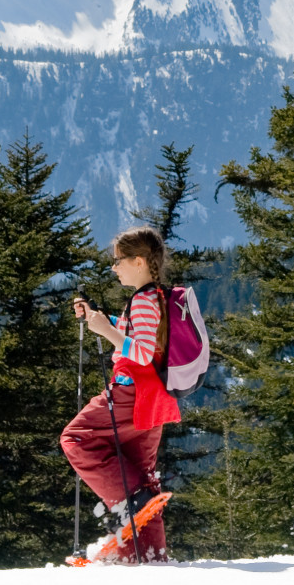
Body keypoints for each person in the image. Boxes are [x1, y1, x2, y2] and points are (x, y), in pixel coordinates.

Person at [63, 227, 181, 563]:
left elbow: (142, 353)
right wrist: (102, 319)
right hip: (154, 400)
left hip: (132, 396)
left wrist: (107, 331)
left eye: (119, 261)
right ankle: (149, 556)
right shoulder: (155, 296)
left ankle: (136, 506)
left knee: (75, 439)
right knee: (141, 479)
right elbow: (140, 335)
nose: (114, 268)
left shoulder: (144, 301)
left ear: (139, 261)